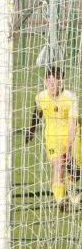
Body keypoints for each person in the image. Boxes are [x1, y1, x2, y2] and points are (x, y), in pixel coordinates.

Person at [26, 66, 78, 211]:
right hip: (52, 137)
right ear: (45, 81)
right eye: (49, 82)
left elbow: (73, 124)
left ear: (62, 82)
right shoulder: (41, 97)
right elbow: (37, 113)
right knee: (58, 164)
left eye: (54, 82)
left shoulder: (70, 97)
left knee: (76, 171)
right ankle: (60, 200)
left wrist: (69, 147)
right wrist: (31, 130)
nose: (51, 86)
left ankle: (70, 183)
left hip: (72, 135)